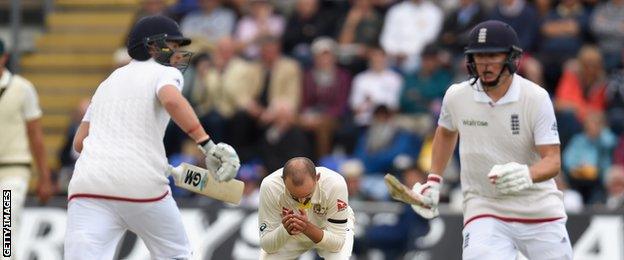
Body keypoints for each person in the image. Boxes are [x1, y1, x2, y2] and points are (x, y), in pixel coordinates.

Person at [390, 20, 573, 259]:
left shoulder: (535, 98)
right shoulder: (457, 96)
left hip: (538, 209)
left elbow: (552, 161)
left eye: (493, 56)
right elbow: (445, 132)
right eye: (479, 56)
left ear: (511, 58)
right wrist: (434, 180)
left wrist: (527, 175)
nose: (485, 64)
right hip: (485, 207)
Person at [64, 15, 240, 259]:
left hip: (88, 186)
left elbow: (80, 142)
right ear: (151, 46)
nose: (178, 53)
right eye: (173, 46)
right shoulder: (163, 73)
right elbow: (170, 99)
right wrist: (207, 145)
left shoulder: (107, 83)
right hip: (141, 185)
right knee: (177, 255)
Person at [0, 38, 54, 258]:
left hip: (13, 170)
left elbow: (36, 136)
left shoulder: (22, 88)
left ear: (4, 57)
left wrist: (44, 178)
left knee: (6, 223)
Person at [258, 157, 354, 259]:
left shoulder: (335, 184)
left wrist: (306, 227)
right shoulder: (270, 186)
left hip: (327, 229)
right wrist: (285, 230)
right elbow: (267, 246)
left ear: (317, 178)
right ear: (283, 181)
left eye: (308, 195)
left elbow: (337, 244)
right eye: (294, 196)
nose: (302, 202)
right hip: (291, 232)